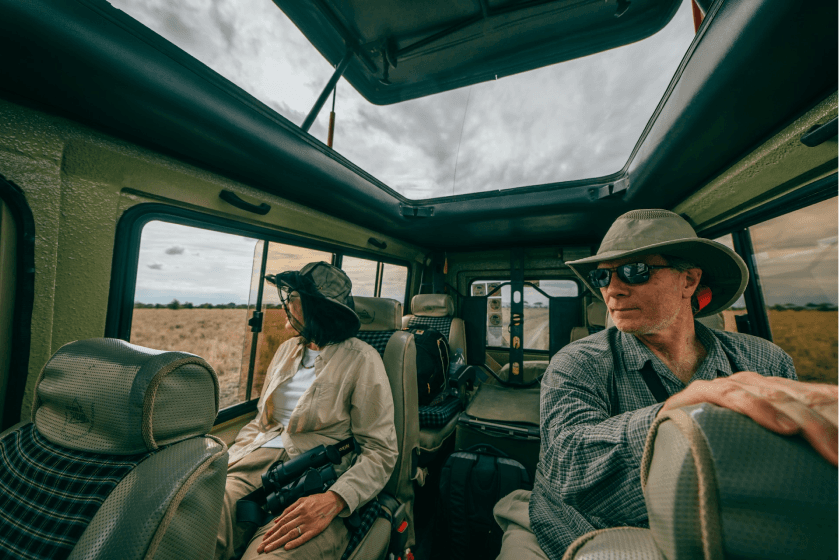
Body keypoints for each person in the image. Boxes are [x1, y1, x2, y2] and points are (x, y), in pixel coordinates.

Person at [493, 209, 839, 560]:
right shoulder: (577, 362)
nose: (613, 290)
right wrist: (674, 415)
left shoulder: (765, 361)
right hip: (582, 533)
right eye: (602, 276)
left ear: (688, 280)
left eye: (635, 271)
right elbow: (567, 462)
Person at [216, 261, 398, 560]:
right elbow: (262, 421)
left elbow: (380, 451)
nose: (286, 304)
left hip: (317, 478)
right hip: (255, 462)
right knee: (193, 525)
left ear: (317, 309)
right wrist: (227, 459)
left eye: (294, 298)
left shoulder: (362, 360)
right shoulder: (287, 350)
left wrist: (336, 498)